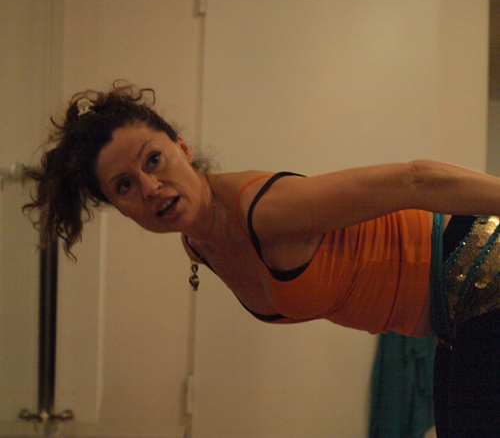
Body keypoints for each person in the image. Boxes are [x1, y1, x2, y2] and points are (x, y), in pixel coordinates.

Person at [24, 82, 500, 437]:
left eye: (153, 160)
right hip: (452, 317)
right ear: (117, 205)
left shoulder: (263, 210)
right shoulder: (197, 243)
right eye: (124, 186)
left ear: (182, 149)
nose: (150, 187)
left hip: (481, 269)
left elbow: (417, 179)